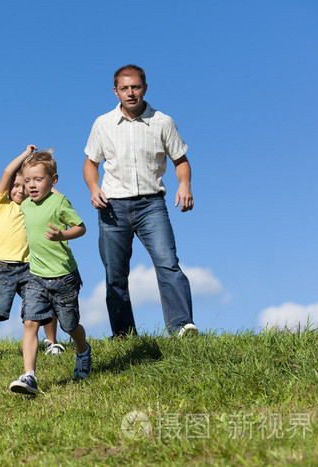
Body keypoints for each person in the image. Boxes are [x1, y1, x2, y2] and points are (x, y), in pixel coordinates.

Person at [83, 64, 198, 338]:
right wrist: (93, 187)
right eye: (124, 88)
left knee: (168, 263)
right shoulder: (103, 124)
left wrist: (185, 184)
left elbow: (180, 160)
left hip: (151, 206)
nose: (130, 93)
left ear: (145, 88)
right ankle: (123, 335)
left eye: (135, 87)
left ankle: (182, 327)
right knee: (115, 274)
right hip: (112, 207)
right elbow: (90, 162)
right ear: (115, 91)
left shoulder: (163, 121)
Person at [9, 149, 91, 395]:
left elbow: (81, 227)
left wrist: (62, 235)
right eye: (27, 180)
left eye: (38, 179)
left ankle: (83, 350)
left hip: (64, 276)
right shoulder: (25, 205)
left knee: (69, 325)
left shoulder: (60, 202)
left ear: (53, 180)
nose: (31, 185)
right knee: (30, 321)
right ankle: (29, 375)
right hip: (35, 276)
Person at [0, 145, 65, 369]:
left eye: (24, 185)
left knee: (43, 308)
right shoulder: (0, 205)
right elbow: (8, 173)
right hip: (1, 268)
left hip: (30, 267)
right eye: (15, 186)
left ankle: (52, 342)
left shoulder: (33, 207)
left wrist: (38, 172)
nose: (19, 189)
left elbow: (53, 192)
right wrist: (26, 156)